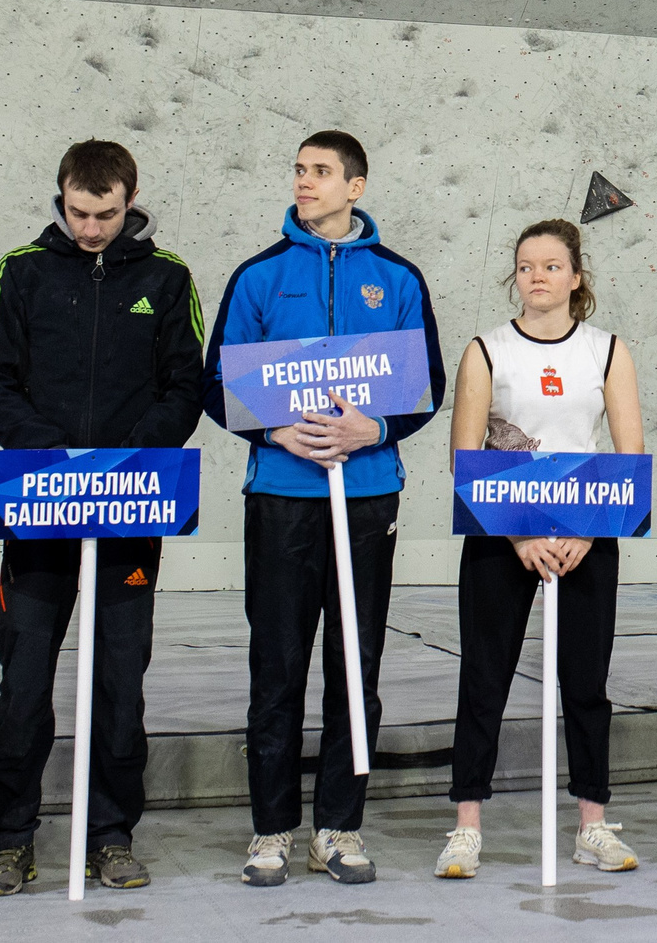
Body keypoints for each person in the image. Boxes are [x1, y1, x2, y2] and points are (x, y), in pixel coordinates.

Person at [206, 131, 446, 885]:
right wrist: (276, 429)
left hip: (369, 496)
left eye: (319, 172)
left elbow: (426, 382)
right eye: (298, 170)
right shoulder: (259, 275)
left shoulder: (397, 277)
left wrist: (370, 428)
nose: (303, 182)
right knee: (275, 665)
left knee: (355, 662)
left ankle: (339, 826)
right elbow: (215, 383)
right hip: (281, 496)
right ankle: (272, 829)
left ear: (356, 185)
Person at [0, 140, 206, 897]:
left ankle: (110, 834)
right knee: (23, 680)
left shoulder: (168, 278)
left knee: (118, 680)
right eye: (78, 212)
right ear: (61, 197)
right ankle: (10, 839)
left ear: (131, 198)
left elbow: (188, 383)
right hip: (39, 510)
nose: (92, 228)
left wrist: (127, 459)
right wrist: (55, 456)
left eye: (106, 214)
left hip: (130, 510)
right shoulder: (20, 271)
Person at [437, 219, 646, 878]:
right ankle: (467, 823)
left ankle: (592, 822)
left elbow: (629, 451)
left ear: (576, 277)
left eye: (552, 266)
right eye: (526, 265)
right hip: (505, 536)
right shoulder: (486, 349)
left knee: (586, 682)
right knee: (484, 677)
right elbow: (464, 454)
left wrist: (586, 528)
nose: (537, 276)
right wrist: (520, 530)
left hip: (586, 534)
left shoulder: (607, 350)